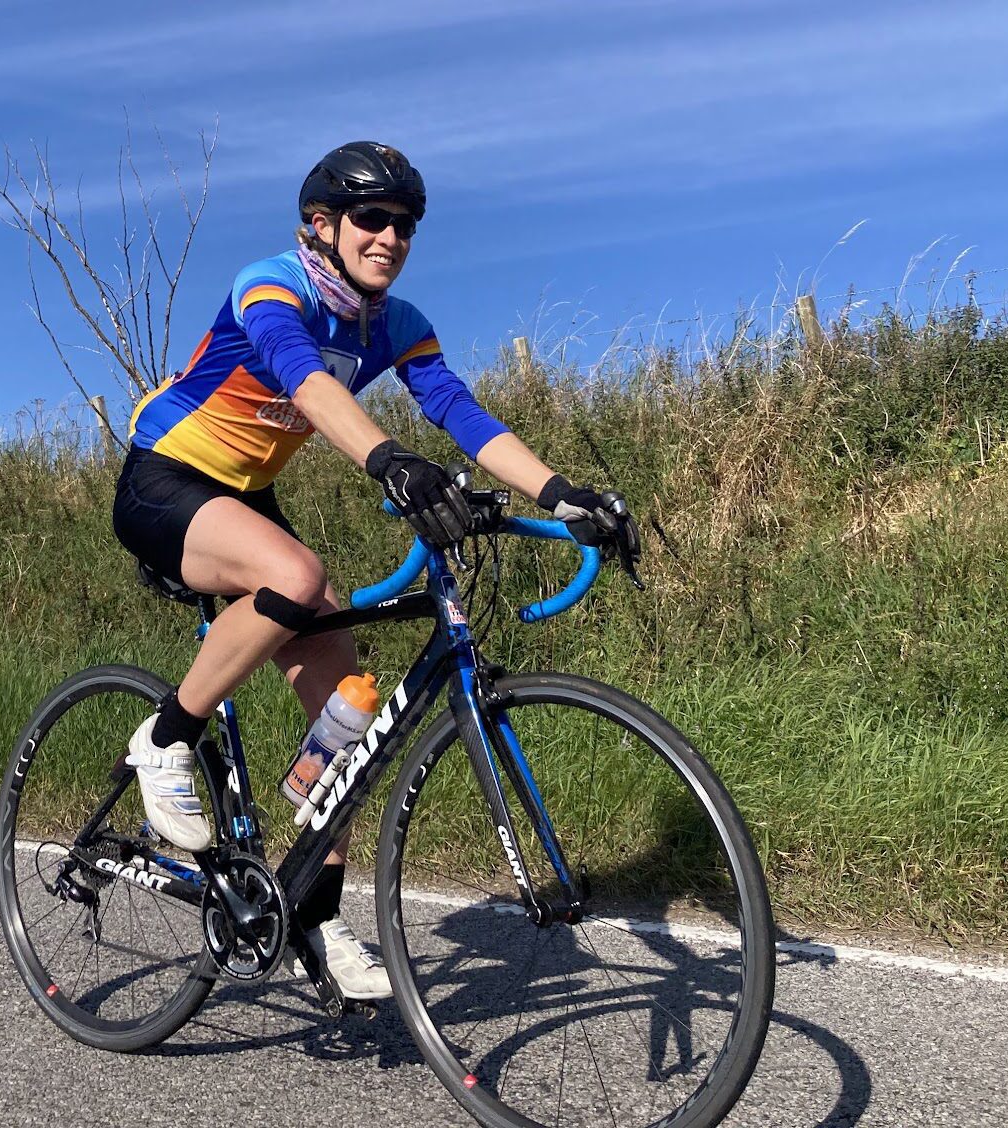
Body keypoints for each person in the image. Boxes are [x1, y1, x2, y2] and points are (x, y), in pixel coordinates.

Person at [111, 141, 625, 999]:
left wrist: (564, 494)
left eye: (405, 225)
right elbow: (307, 383)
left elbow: (458, 410)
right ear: (322, 225)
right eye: (372, 219)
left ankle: (313, 914)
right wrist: (389, 462)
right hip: (165, 477)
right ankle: (165, 739)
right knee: (297, 577)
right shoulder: (272, 286)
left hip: (248, 495)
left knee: (344, 716)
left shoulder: (397, 324)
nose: (391, 237)